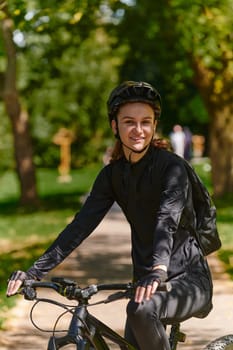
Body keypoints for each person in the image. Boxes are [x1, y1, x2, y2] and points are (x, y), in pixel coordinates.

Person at [7, 81, 213, 350]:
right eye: (129, 121)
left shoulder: (172, 168)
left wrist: (158, 270)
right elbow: (79, 227)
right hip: (144, 286)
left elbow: (167, 220)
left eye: (146, 122)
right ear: (115, 126)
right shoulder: (113, 176)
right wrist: (33, 272)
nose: (138, 130)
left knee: (140, 311)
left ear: (154, 126)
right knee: (137, 318)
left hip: (187, 280)